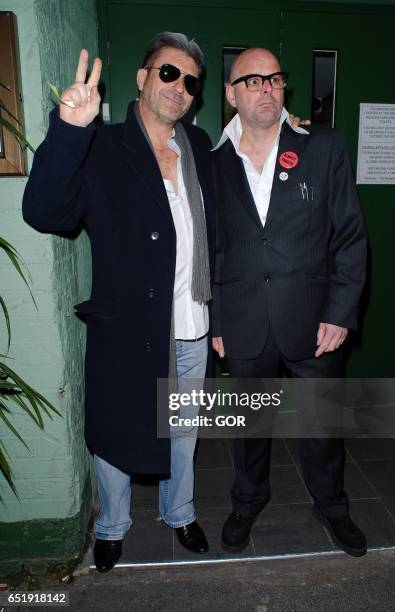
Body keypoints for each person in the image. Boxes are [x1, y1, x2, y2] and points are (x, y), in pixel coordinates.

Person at [23, 32, 216, 571]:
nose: (180, 87)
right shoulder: (101, 143)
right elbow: (44, 212)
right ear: (142, 77)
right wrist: (68, 130)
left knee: (183, 429)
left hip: (191, 323)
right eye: (168, 73)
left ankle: (180, 512)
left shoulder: (197, 147)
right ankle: (111, 525)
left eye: (190, 81)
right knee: (114, 431)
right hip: (128, 325)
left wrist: (289, 130)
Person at [212, 48, 368, 557]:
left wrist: (341, 313)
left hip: (313, 323)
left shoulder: (321, 146)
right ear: (231, 94)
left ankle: (333, 507)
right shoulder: (212, 162)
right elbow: (208, 247)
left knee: (321, 426)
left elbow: (349, 236)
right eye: (252, 80)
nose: (266, 88)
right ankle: (247, 501)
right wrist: (216, 319)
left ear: (284, 88)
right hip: (243, 321)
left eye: (275, 78)